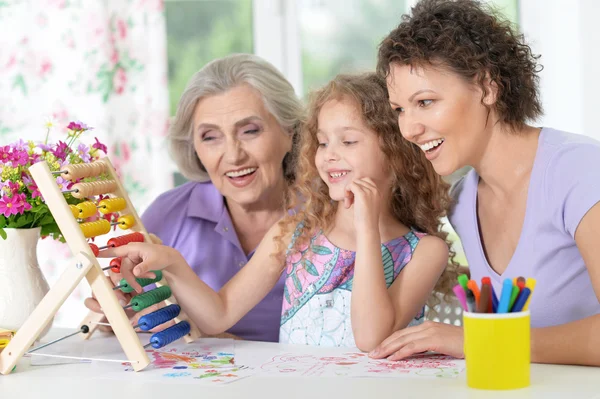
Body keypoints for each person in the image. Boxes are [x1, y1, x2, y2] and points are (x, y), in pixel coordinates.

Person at [100, 73, 456, 351]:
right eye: (322, 142)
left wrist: (367, 230)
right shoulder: (299, 228)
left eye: (348, 141)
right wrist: (171, 262)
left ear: (398, 155)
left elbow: (371, 338)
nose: (329, 155)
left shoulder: (423, 252)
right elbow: (219, 314)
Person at [371, 0, 600, 366]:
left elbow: (497, 343)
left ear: (486, 87)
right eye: (400, 109)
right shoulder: (462, 203)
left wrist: (478, 339)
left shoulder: (581, 171)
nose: (409, 128)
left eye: (425, 102)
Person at [85, 53, 304, 342]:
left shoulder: (325, 213)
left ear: (289, 131)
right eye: (210, 137)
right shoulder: (168, 215)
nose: (234, 155)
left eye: (250, 131)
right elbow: (127, 319)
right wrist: (119, 313)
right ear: (194, 148)